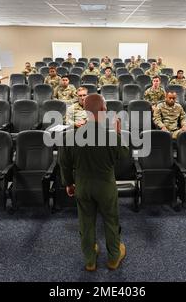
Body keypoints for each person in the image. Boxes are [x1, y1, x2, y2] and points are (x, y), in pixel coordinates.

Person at [59, 94, 129, 271]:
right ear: (103, 110)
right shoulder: (111, 136)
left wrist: (68, 183)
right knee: (111, 221)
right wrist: (119, 133)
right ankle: (113, 258)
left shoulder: (70, 136)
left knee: (86, 223)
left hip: (82, 186)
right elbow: (125, 157)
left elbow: (64, 164)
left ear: (84, 110)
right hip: (105, 186)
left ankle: (90, 260)